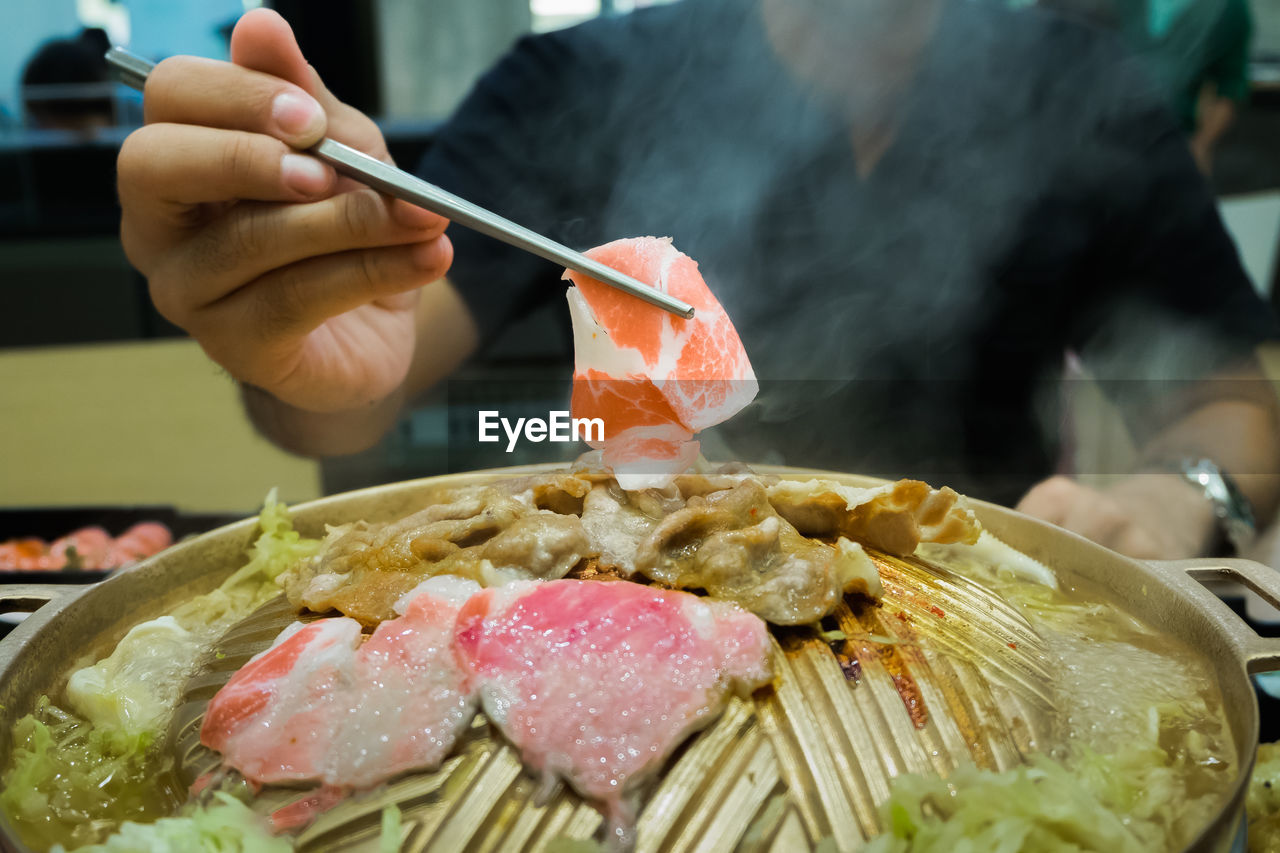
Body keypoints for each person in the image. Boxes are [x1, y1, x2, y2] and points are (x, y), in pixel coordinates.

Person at [115, 0, 1280, 560]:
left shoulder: (1078, 88)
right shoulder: (575, 83)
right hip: (655, 593)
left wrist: (1190, 495)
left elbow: (1233, 406)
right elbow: (358, 374)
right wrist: (309, 326)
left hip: (982, 594)